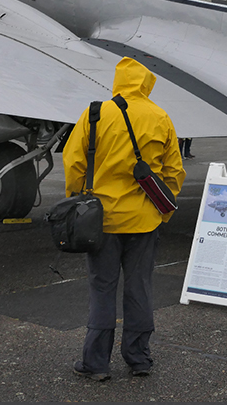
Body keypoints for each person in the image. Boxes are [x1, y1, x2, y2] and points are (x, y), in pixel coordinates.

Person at [63, 57, 186, 381]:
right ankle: (139, 358)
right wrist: (162, 209)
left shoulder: (96, 113)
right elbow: (174, 170)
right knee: (139, 288)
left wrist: (76, 196)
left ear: (117, 81)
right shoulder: (160, 116)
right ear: (146, 83)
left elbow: (73, 161)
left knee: (102, 289)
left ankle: (96, 363)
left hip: (101, 220)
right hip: (145, 220)